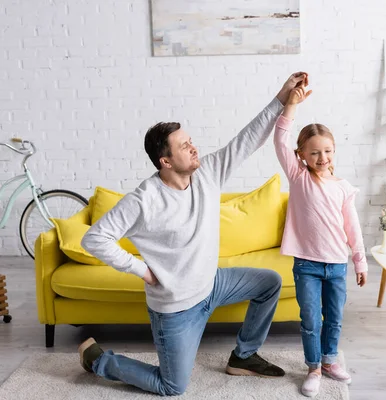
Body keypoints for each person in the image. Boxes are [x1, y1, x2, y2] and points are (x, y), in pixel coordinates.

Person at [78, 72, 309, 396]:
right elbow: (94, 238)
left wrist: (282, 97)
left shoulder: (207, 174)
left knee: (269, 283)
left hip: (211, 285)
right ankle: (99, 361)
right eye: (184, 146)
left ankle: (243, 356)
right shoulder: (144, 201)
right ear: (166, 161)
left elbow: (248, 139)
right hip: (176, 307)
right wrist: (141, 270)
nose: (193, 147)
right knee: (172, 386)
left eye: (190, 141)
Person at [273, 80, 368, 397]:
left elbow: (352, 227)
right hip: (307, 265)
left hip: (338, 265)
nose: (322, 157)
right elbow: (280, 138)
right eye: (314, 152)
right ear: (301, 155)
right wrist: (292, 104)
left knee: (335, 319)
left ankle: (329, 362)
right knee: (311, 320)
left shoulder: (343, 187)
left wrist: (360, 261)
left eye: (327, 151)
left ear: (334, 151)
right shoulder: (298, 176)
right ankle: (313, 367)